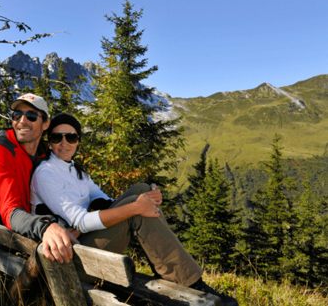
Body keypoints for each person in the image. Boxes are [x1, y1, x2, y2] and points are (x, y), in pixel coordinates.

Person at [30, 113, 238, 306]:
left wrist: (146, 198)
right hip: (68, 259)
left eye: (71, 137)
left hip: (81, 244)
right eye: (57, 138)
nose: (64, 143)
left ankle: (173, 272)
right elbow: (80, 221)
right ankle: (191, 284)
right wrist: (135, 207)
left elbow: (105, 201)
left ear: (78, 141)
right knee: (137, 211)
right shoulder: (46, 173)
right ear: (49, 143)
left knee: (142, 189)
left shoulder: (76, 171)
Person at [0, 94, 77, 263]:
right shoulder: (0, 152)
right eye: (17, 116)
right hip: (14, 246)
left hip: (37, 241)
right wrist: (45, 226)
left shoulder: (45, 151)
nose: (22, 121)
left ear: (46, 124)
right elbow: (10, 213)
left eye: (31, 116)